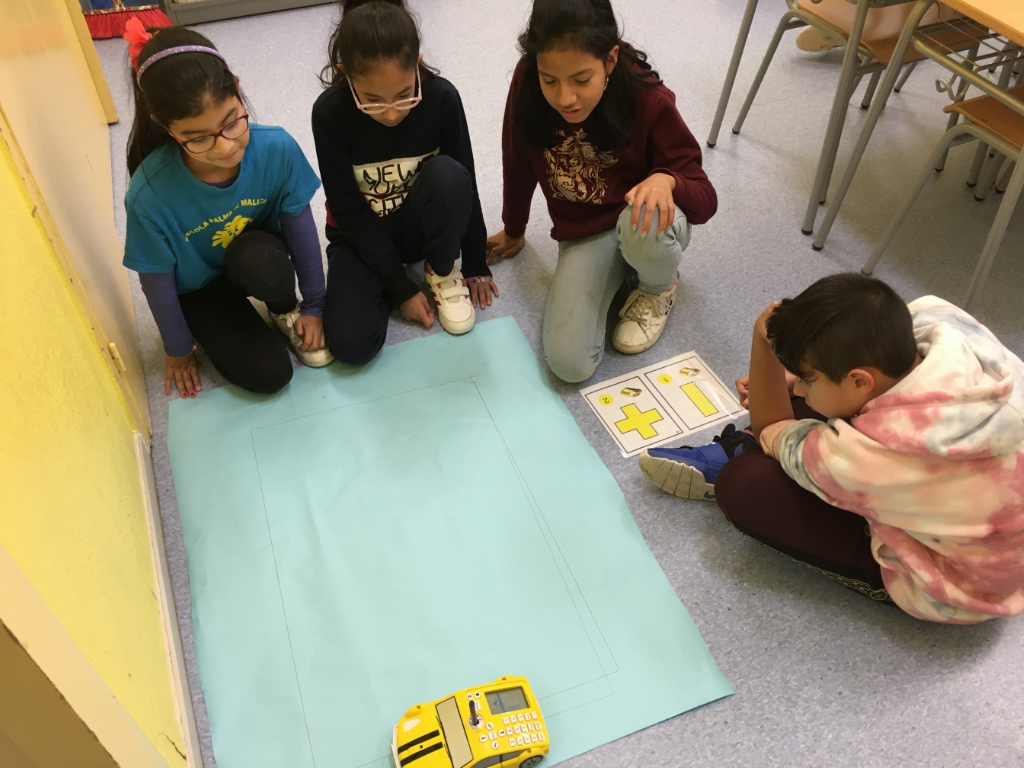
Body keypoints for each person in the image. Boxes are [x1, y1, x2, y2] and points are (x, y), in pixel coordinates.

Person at [639, 273, 1024, 624]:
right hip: (989, 520)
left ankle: (752, 452)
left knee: (742, 483)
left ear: (860, 380)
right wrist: (796, 376)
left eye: (809, 378)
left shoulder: (868, 457)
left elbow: (771, 424)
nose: (801, 385)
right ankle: (783, 434)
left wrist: (764, 345)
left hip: (957, 588)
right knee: (810, 401)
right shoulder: (942, 320)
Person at [487, 0, 717, 383]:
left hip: (641, 221)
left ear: (610, 59)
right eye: (550, 81)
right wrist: (514, 227)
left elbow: (705, 199)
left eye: (581, 80)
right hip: (587, 234)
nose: (565, 98)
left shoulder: (647, 96)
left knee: (642, 222)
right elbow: (516, 154)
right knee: (570, 365)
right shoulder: (528, 77)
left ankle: (658, 287)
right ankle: (623, 269)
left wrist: (667, 179)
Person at [122, 22, 331, 399]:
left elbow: (301, 230)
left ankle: (283, 309)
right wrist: (178, 348)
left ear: (236, 87)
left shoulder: (276, 148)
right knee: (271, 376)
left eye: (231, 122)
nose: (225, 147)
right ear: (166, 127)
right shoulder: (149, 194)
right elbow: (156, 281)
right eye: (198, 138)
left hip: (255, 257)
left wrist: (314, 306)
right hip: (200, 288)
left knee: (259, 258)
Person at [312, 0, 494, 364]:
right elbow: (347, 208)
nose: (392, 113)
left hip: (417, 227)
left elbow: (465, 181)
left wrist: (474, 262)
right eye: (373, 100)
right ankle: (384, 276)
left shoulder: (441, 97)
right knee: (352, 347)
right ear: (345, 73)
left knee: (447, 175)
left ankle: (440, 268)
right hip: (359, 235)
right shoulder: (329, 113)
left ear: (417, 63)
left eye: (403, 95)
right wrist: (400, 286)